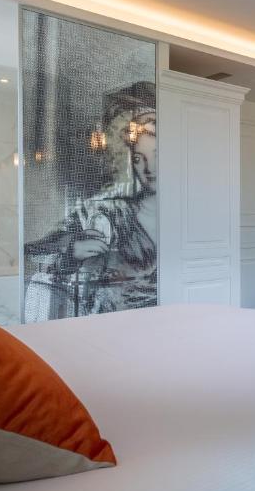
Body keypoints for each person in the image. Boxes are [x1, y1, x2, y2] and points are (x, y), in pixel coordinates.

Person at [23, 82, 157, 322]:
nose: (147, 169)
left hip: (161, 318)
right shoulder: (108, 211)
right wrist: (70, 251)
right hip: (109, 322)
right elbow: (33, 251)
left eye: (156, 155)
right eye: (138, 158)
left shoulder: (184, 212)